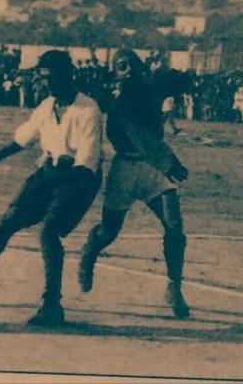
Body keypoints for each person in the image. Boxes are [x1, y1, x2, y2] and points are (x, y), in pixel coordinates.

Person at [0, 50, 103, 327]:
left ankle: (52, 305)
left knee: (48, 232)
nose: (48, 84)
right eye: (44, 79)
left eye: (53, 78)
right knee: (6, 221)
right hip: (50, 173)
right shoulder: (46, 106)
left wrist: (59, 193)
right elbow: (22, 141)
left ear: (69, 76)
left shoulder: (88, 109)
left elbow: (86, 164)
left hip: (80, 179)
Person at [78, 48, 192, 319]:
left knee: (174, 226)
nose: (127, 71)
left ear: (139, 68)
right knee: (108, 231)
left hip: (153, 170)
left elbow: (180, 81)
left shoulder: (150, 87)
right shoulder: (118, 103)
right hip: (126, 168)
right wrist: (167, 161)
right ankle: (90, 250)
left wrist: (178, 79)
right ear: (116, 73)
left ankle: (174, 287)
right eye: (121, 67)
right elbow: (139, 137)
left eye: (131, 66)